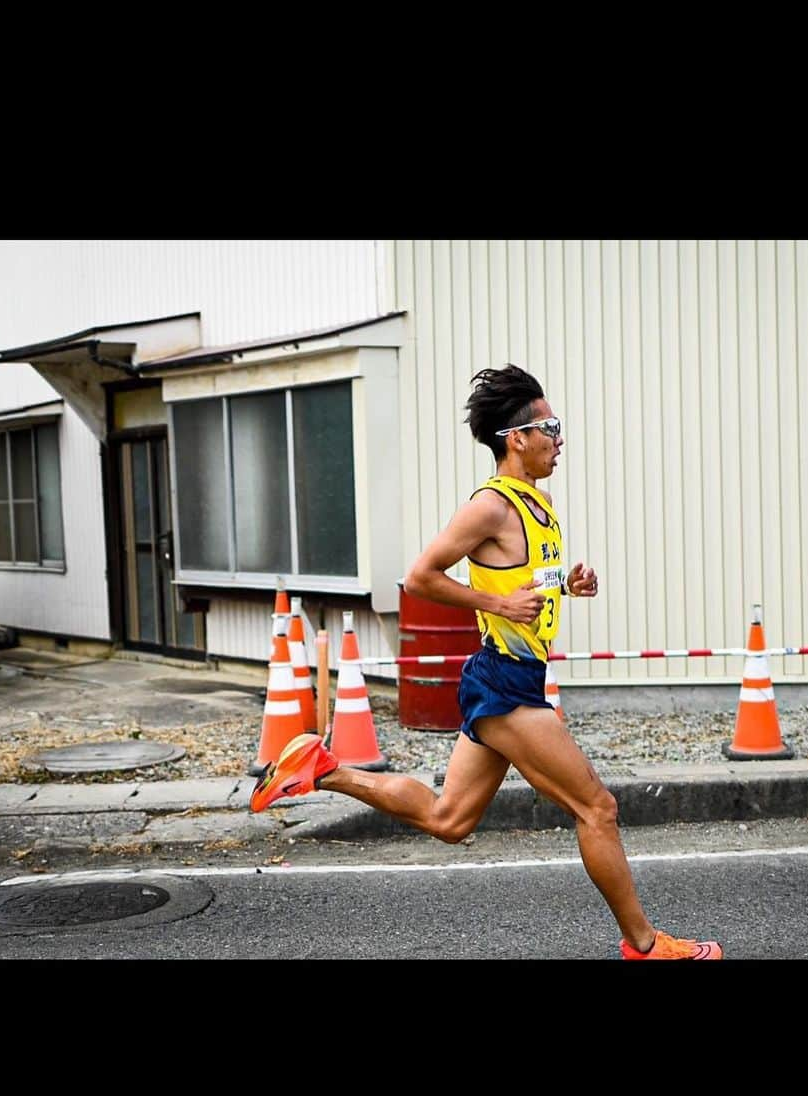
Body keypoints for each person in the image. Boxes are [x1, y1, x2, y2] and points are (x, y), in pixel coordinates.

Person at [250, 364, 722, 960]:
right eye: (548, 426)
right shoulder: (489, 507)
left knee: (451, 820)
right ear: (515, 438)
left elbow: (524, 578)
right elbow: (421, 577)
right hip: (505, 681)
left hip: (507, 677)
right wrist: (494, 601)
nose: (559, 437)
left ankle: (323, 769)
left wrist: (565, 584)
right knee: (597, 807)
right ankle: (646, 946)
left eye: (557, 424)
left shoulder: (539, 504)